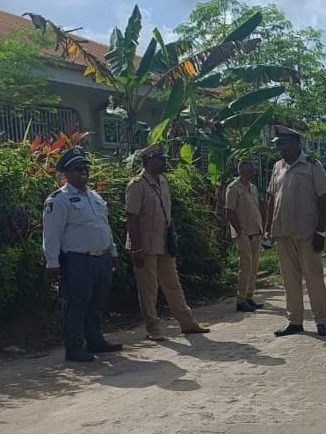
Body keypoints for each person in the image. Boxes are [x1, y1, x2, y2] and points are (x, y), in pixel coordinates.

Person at [42, 146, 123, 362]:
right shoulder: (59, 200)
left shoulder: (95, 197)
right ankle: (74, 347)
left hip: (101, 257)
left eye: (85, 169)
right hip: (77, 259)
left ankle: (95, 340)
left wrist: (113, 251)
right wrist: (52, 262)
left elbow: (104, 226)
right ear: (67, 174)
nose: (83, 173)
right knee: (77, 303)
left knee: (97, 301)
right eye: (78, 169)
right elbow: (52, 233)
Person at [125, 143, 210, 341]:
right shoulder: (137, 185)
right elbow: (131, 218)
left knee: (173, 284)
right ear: (148, 161)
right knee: (149, 288)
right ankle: (153, 327)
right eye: (160, 159)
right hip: (145, 244)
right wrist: (136, 247)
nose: (164, 162)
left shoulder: (162, 181)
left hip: (163, 241)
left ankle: (187, 323)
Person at [265, 125, 326, 337]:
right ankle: (294, 320)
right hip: (283, 232)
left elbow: (324, 199)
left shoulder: (313, 166)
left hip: (307, 233)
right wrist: (268, 226)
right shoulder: (278, 167)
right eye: (279, 145)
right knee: (289, 279)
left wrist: (321, 231)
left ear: (295, 144)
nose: (280, 149)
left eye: (283, 144)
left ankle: (321, 321)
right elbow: (271, 197)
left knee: (313, 277)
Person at [225, 159, 265, 312]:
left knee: (254, 266)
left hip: (255, 231)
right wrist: (239, 230)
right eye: (249, 171)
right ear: (241, 172)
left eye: (253, 171)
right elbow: (230, 211)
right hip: (243, 233)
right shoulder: (234, 188)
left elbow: (257, 207)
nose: (252, 174)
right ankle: (240, 299)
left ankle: (249, 296)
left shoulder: (253, 188)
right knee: (246, 265)